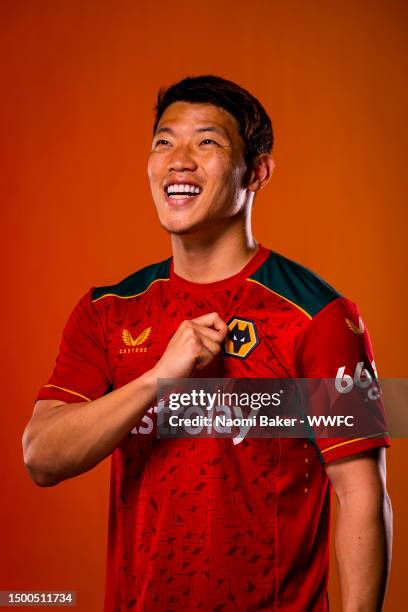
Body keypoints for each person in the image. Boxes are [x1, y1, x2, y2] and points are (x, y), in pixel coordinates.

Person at [22, 75, 392, 611]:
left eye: (207, 142)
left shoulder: (320, 317)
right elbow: (41, 457)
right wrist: (156, 381)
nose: (179, 160)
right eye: (165, 142)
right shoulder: (108, 311)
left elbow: (360, 493)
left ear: (257, 173)